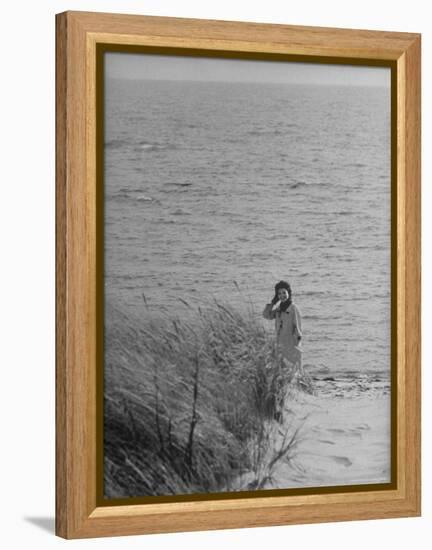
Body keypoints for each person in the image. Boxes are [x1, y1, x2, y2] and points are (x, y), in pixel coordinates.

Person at [262, 280, 304, 376]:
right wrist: (273, 303)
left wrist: (296, 346)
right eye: (279, 294)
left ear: (288, 292)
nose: (282, 295)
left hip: (292, 346)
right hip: (280, 346)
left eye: (284, 293)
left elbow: (298, 330)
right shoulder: (279, 309)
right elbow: (266, 315)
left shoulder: (293, 308)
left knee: (296, 373)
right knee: (282, 373)